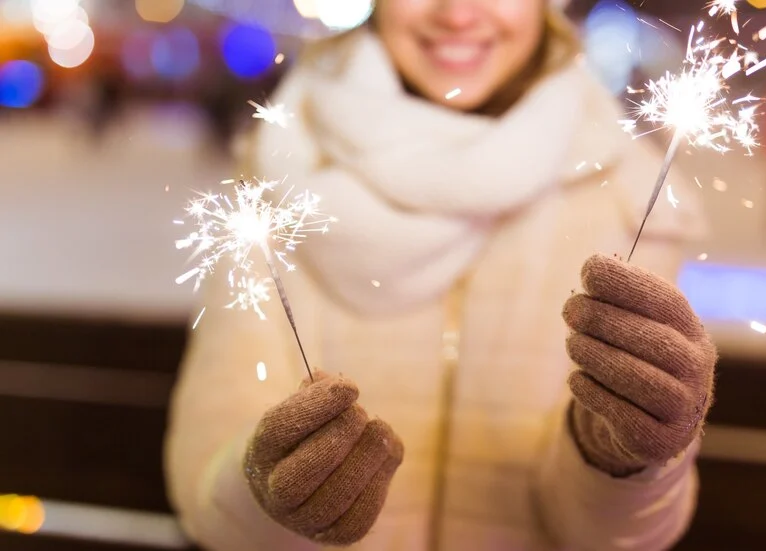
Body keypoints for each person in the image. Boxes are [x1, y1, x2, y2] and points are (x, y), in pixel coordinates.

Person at [164, 1, 717, 550]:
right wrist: (272, 494)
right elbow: (206, 492)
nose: (456, 14)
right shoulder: (279, 173)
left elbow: (623, 538)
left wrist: (618, 455)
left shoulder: (625, 190)